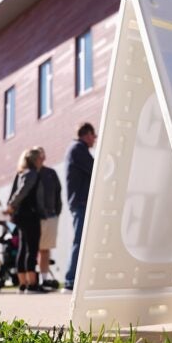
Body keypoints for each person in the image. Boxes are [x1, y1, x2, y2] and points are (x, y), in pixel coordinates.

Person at [6, 148, 45, 294]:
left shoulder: (22, 173)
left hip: (22, 215)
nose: (43, 160)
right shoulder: (32, 174)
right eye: (41, 158)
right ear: (35, 159)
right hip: (30, 214)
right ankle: (32, 284)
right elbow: (22, 191)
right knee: (32, 248)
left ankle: (23, 284)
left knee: (23, 248)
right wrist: (12, 204)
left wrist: (12, 206)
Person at [64, 122, 96, 291]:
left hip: (80, 202)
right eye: (94, 135)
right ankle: (70, 280)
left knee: (83, 240)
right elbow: (96, 169)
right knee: (80, 240)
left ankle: (75, 278)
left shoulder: (77, 149)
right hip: (81, 202)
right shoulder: (78, 149)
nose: (95, 139)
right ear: (87, 134)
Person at [35, 147, 62, 290]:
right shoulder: (29, 174)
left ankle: (43, 279)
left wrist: (57, 211)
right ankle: (31, 281)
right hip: (34, 218)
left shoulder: (50, 174)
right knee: (32, 250)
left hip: (50, 216)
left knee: (45, 249)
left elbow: (58, 193)